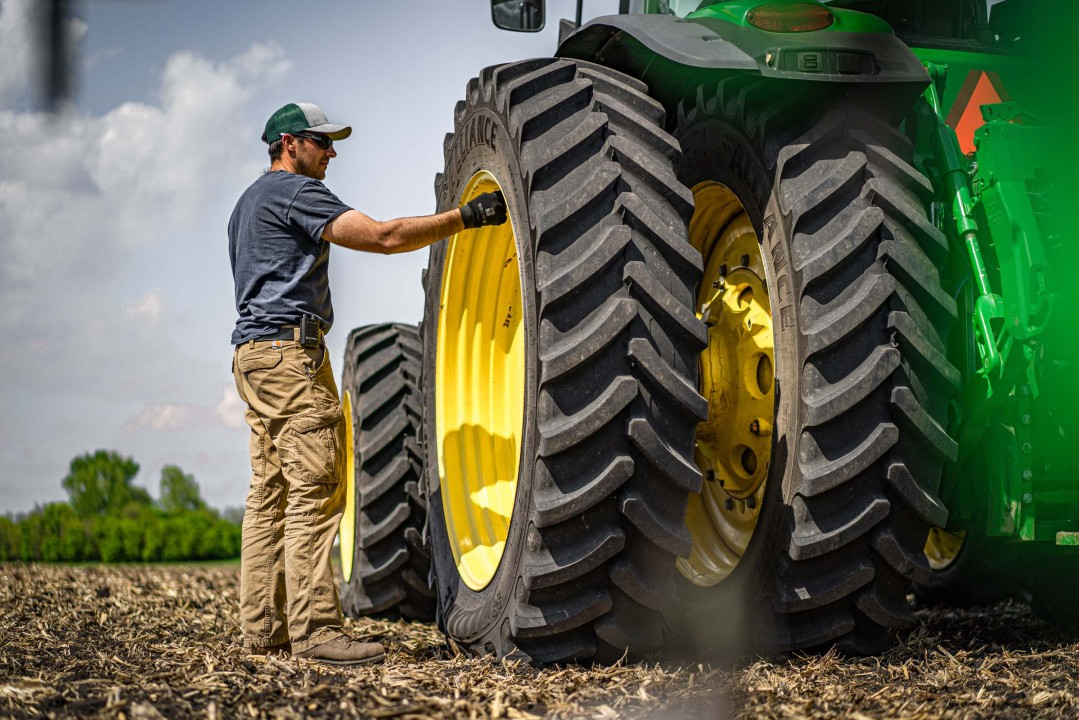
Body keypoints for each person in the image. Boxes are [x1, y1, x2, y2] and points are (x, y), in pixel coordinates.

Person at [229, 102, 506, 666]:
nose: (332, 152)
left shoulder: (245, 204)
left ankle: (264, 631)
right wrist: (468, 217)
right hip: (289, 354)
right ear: (288, 143)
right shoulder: (294, 194)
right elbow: (382, 236)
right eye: (321, 142)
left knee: (270, 493)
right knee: (317, 484)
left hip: (253, 355)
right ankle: (315, 633)